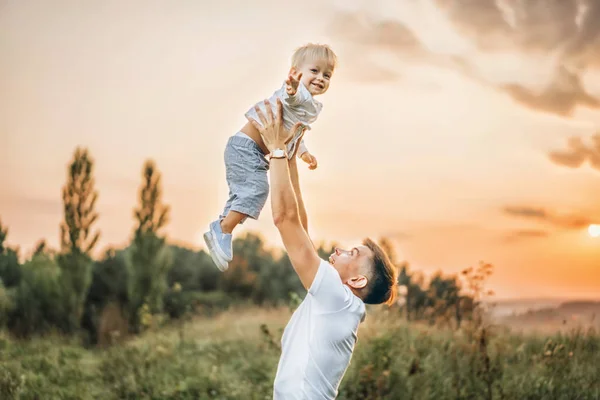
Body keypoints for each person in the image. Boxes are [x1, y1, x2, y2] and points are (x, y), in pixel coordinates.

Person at [247, 98, 399, 399]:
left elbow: (284, 220)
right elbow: (299, 226)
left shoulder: (339, 300)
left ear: (357, 281)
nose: (341, 250)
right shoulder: (337, 302)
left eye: (352, 254)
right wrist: (289, 155)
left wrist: (276, 149)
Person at [203, 43, 337, 271]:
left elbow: (292, 131)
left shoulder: (307, 106)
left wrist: (304, 153)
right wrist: (293, 88)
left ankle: (221, 230)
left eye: (327, 74)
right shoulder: (295, 94)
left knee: (244, 195)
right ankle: (222, 229)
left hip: (247, 151)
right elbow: (290, 98)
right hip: (246, 149)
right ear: (295, 72)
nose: (321, 78)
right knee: (256, 191)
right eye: (314, 71)